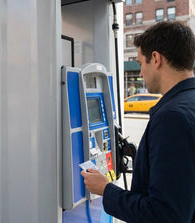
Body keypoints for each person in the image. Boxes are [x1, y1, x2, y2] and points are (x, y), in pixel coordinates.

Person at [81, 21, 195, 222]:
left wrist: (106, 190)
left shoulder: (172, 117)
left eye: (141, 63)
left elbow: (164, 215)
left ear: (156, 58)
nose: (140, 73)